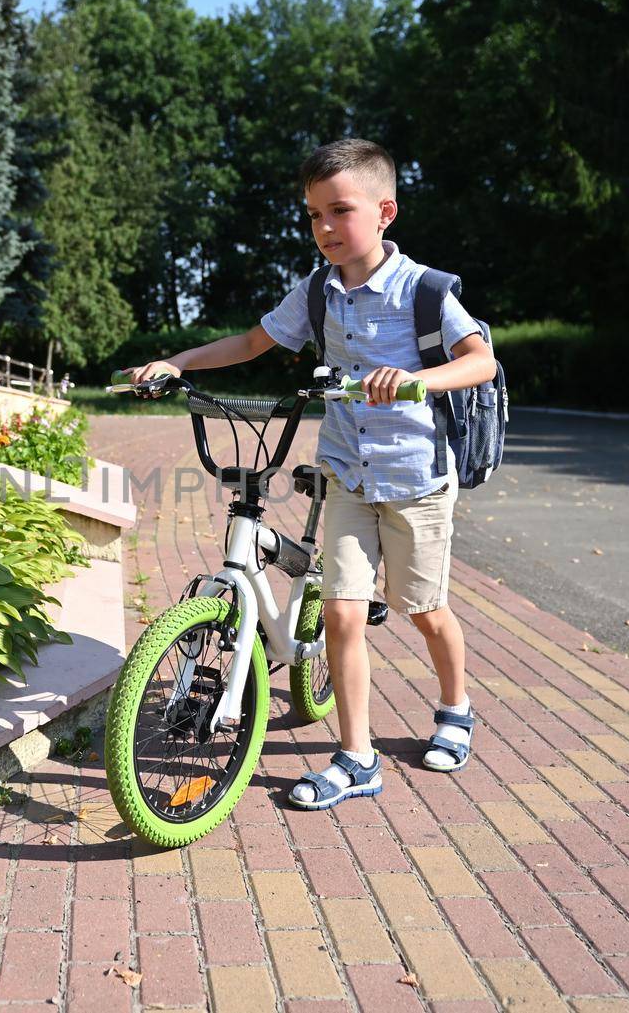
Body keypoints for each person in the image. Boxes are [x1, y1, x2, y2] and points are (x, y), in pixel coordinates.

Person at [120, 138, 497, 810]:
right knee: (346, 615)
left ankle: (455, 707)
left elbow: (479, 362)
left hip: (416, 480)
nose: (324, 227)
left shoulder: (425, 290)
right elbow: (252, 342)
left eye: (339, 211)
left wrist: (413, 380)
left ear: (385, 212)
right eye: (313, 215)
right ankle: (356, 758)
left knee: (424, 611)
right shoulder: (318, 290)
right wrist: (177, 361)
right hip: (349, 475)